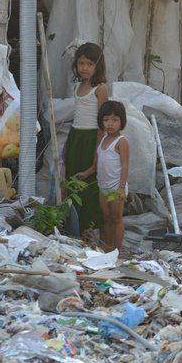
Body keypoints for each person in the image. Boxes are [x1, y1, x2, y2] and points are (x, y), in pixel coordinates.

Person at [64, 43, 108, 236]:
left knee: (89, 183)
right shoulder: (78, 86)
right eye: (81, 63)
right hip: (76, 137)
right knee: (72, 181)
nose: (84, 68)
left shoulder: (100, 89)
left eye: (90, 64)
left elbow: (102, 123)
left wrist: (97, 153)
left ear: (98, 66)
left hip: (91, 138)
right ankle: (75, 228)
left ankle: (90, 230)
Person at [77, 101, 129, 251]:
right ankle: (106, 247)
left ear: (122, 121)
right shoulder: (103, 140)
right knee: (106, 218)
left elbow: (125, 166)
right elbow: (96, 165)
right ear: (101, 121)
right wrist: (85, 173)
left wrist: (121, 188)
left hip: (115, 188)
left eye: (115, 120)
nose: (110, 124)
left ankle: (117, 250)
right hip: (103, 187)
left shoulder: (121, 142)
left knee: (116, 219)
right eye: (106, 120)